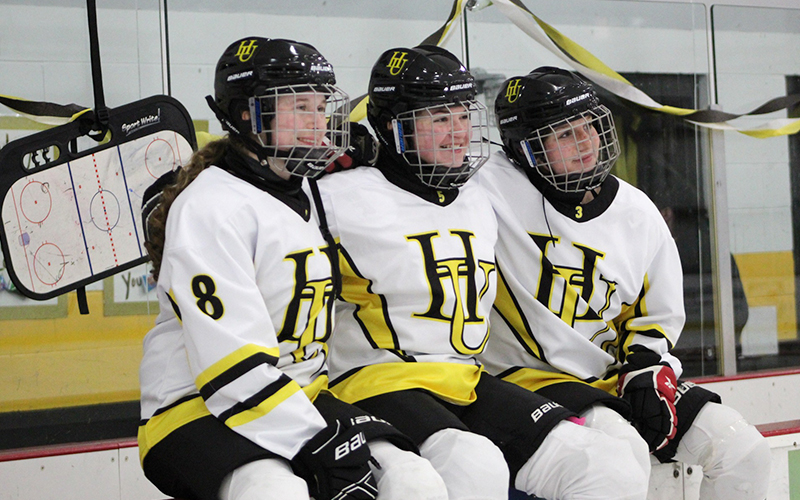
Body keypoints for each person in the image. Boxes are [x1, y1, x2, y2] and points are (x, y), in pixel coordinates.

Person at [317, 46, 648, 500]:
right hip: (374, 380)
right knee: (474, 465)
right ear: (394, 127)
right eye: (438, 119)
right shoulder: (333, 196)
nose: (457, 133)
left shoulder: (479, 192)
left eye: (461, 116)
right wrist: (314, 165)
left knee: (605, 465)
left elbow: (553, 173)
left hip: (467, 378)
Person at [137, 37, 448, 500]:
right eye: (299, 107)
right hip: (195, 406)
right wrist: (315, 441)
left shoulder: (303, 189)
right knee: (273, 491)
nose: (317, 122)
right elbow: (229, 367)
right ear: (246, 115)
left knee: (415, 480)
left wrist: (378, 159)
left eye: (321, 107)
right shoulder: (211, 206)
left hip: (300, 392)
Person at [476, 66, 771, 500]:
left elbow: (657, 315)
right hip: (530, 380)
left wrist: (647, 367)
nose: (584, 144)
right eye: (562, 135)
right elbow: (422, 160)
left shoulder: (637, 211)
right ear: (524, 151)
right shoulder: (487, 186)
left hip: (615, 376)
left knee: (744, 452)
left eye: (589, 127)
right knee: (620, 453)